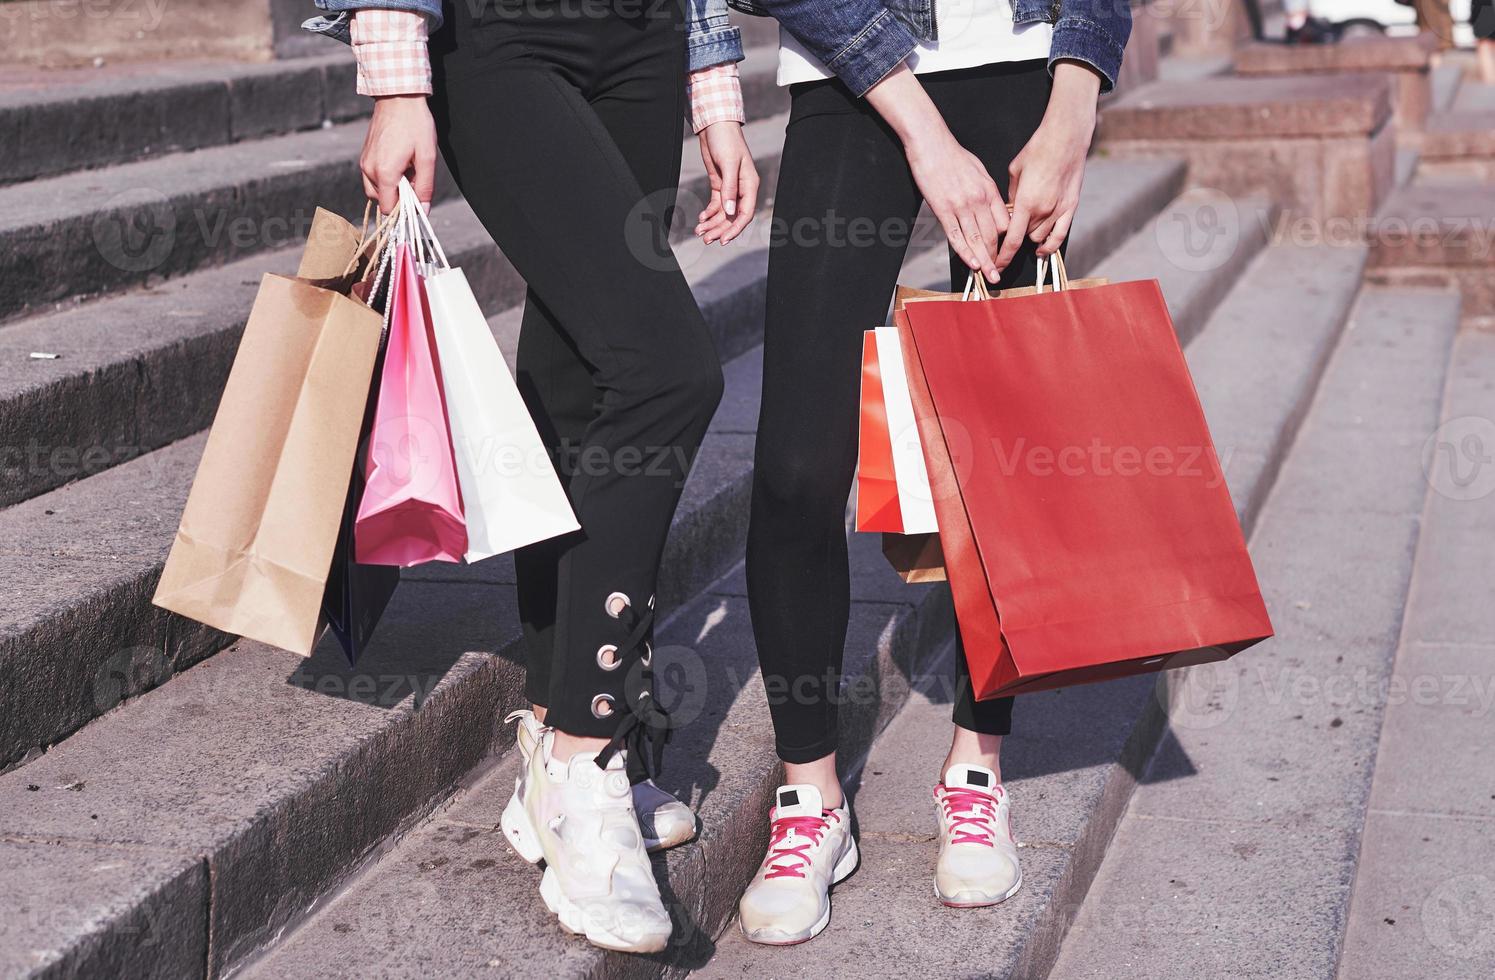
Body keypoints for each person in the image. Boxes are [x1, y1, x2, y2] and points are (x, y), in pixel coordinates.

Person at [304, 0, 759, 954]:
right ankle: (586, 747)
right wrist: (396, 79)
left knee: (582, 367)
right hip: (500, 33)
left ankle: (553, 723)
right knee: (667, 364)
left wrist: (714, 91)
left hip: (642, 36)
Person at [724, 0, 1129, 945]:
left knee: (1003, 453)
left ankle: (975, 767)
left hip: (1026, 71)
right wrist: (924, 132)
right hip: (848, 75)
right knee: (796, 464)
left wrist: (1073, 104)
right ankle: (810, 795)